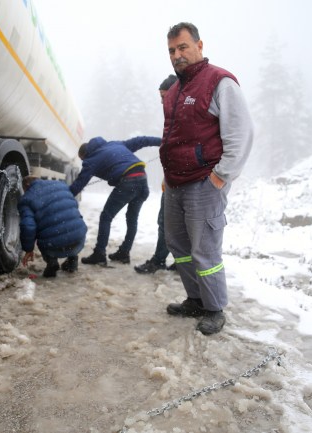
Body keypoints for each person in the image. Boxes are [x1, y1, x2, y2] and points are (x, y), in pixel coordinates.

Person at [160, 22, 254, 335]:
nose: (177, 55)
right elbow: (172, 138)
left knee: (205, 250)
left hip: (204, 183)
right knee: (179, 245)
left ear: (200, 46)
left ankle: (214, 308)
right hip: (175, 185)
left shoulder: (220, 82)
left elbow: (240, 135)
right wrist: (166, 175)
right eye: (172, 50)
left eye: (183, 47)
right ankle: (195, 298)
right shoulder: (174, 91)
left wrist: (220, 177)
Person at [69, 135, 161, 266]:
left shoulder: (91, 159)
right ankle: (124, 253)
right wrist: (163, 142)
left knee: (106, 216)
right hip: (142, 179)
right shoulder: (116, 144)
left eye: (82, 159)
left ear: (85, 154)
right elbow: (142, 141)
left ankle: (99, 254)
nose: (84, 162)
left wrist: (64, 195)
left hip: (128, 182)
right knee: (132, 218)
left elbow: (79, 184)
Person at [134, 74, 178, 274]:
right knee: (176, 224)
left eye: (163, 96)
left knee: (166, 222)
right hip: (174, 179)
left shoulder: (182, 116)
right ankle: (180, 262)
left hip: (179, 182)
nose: (161, 101)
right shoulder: (175, 117)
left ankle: (160, 260)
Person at [19, 176, 87, 278]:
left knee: (49, 234)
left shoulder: (26, 199)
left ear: (27, 186)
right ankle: (72, 261)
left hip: (53, 244)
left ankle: (52, 263)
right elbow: (74, 207)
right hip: (78, 236)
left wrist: (28, 249)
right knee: (68, 227)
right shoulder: (62, 186)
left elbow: (28, 226)